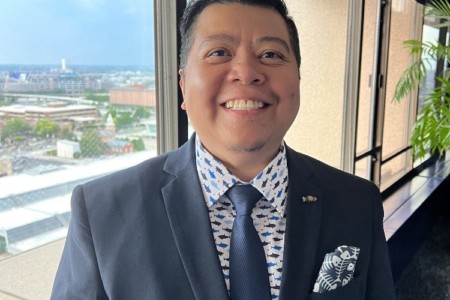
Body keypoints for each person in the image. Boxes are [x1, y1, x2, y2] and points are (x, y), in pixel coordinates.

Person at [51, 0, 396, 299]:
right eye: (219, 52)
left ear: (298, 81)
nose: (246, 73)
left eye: (271, 54)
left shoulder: (356, 203)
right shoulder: (101, 213)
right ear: (184, 85)